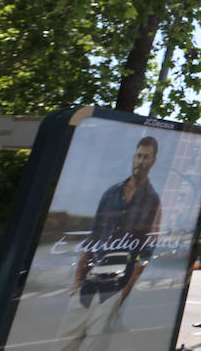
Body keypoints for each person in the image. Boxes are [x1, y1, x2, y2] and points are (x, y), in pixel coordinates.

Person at [56, 135, 162, 351]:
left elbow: (145, 256)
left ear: (153, 161)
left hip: (114, 289)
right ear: (134, 157)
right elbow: (91, 239)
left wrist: (123, 294)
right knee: (62, 345)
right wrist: (76, 284)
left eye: (146, 157)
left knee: (93, 347)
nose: (140, 161)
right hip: (87, 285)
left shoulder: (153, 201)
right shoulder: (110, 193)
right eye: (138, 156)